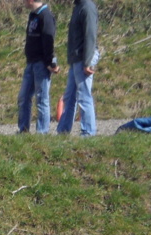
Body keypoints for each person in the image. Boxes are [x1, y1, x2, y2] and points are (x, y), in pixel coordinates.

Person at [56, 0, 98, 136]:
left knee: (84, 96)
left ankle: (88, 132)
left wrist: (87, 61)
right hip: (76, 59)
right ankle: (63, 130)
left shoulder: (87, 7)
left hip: (84, 57)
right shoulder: (78, 7)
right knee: (69, 96)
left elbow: (90, 35)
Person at [17, 1, 59, 134]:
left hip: (41, 63)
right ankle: (23, 130)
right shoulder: (33, 15)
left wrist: (50, 62)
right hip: (31, 62)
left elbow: (49, 40)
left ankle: (42, 132)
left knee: (42, 99)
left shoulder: (45, 16)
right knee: (23, 97)